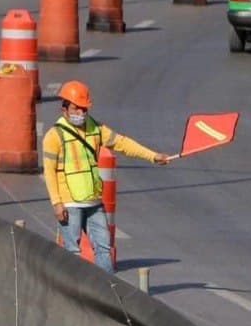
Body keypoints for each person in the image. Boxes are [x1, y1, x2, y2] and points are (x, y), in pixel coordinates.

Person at [42, 81, 169, 273]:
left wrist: (153, 156)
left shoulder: (96, 128)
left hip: (93, 201)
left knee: (103, 248)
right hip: (69, 204)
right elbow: (49, 171)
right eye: (76, 108)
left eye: (84, 109)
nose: (81, 114)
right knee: (72, 252)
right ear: (64, 109)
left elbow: (122, 143)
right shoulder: (54, 136)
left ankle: (106, 291)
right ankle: (73, 295)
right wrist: (56, 203)